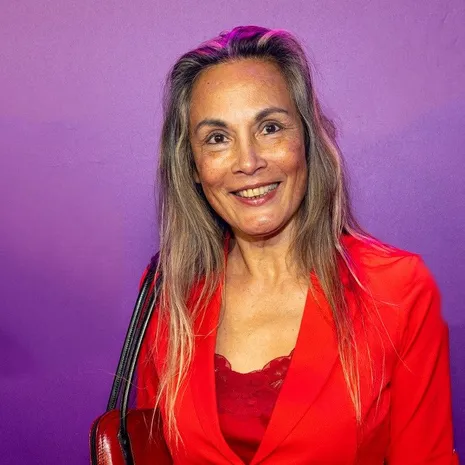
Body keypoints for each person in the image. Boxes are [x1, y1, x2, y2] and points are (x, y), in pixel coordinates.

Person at [136, 25, 458, 464]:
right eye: (217, 138)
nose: (248, 162)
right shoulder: (169, 291)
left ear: (306, 138)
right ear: (192, 164)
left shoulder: (398, 290)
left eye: (269, 128)